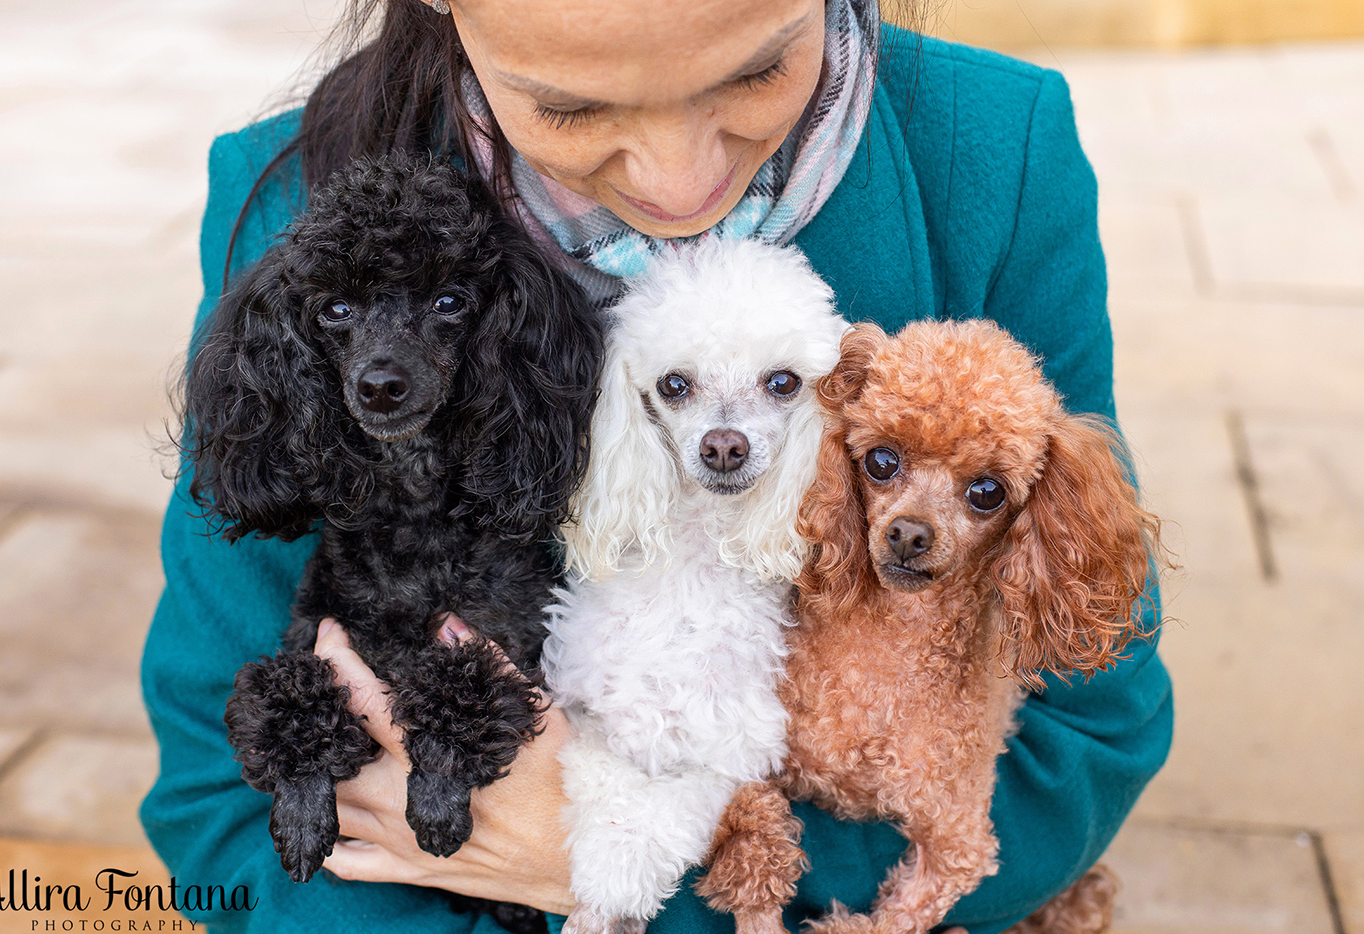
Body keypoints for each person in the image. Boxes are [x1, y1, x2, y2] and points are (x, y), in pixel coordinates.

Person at [140, 0, 1173, 931]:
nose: (680, 181)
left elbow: (1086, 738)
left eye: (755, 74)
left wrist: (611, 874)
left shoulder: (997, 147)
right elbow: (215, 801)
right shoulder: (291, 198)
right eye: (573, 111)